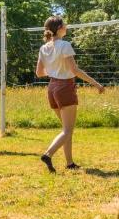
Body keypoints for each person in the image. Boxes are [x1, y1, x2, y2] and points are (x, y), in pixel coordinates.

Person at [35, 15, 105, 173]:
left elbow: (39, 73)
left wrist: (54, 70)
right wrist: (96, 84)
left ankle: (70, 163)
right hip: (65, 87)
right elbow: (75, 71)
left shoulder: (44, 47)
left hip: (52, 88)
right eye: (64, 24)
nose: (67, 26)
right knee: (67, 130)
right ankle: (48, 154)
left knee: (66, 129)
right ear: (59, 28)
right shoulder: (65, 45)